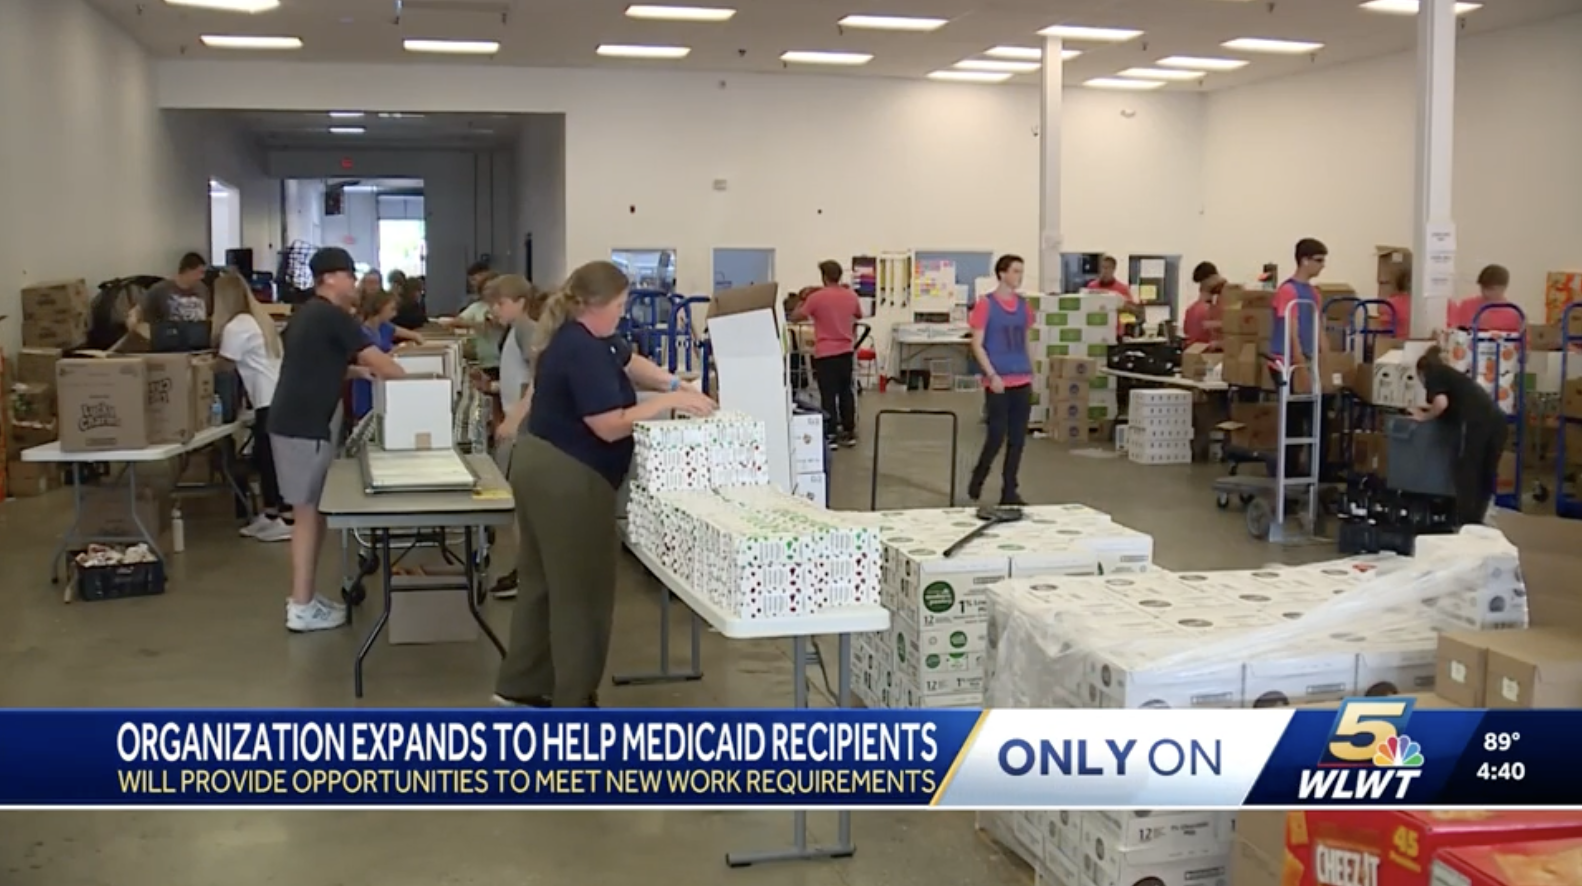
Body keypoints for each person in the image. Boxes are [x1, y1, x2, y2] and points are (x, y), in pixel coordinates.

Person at [494, 260, 716, 708]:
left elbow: (631, 361)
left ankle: (522, 684)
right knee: (583, 591)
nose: (623, 310)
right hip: (570, 480)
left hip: (539, 464)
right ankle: (574, 699)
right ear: (595, 305)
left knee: (541, 584)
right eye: (619, 303)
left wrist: (678, 383)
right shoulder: (583, 352)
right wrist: (669, 403)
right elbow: (609, 426)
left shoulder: (583, 338)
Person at [269, 247, 407, 632]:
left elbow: (317, 364)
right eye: (349, 275)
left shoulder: (308, 313)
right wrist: (421, 383)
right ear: (330, 278)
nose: (354, 283)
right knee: (307, 515)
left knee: (312, 514)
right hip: (303, 425)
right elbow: (379, 360)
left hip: (298, 422)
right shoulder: (332, 316)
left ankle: (306, 597)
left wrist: (356, 375)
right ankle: (300, 605)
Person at [473, 275, 546, 599]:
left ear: (519, 302)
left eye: (500, 303)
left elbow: (539, 378)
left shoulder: (525, 329)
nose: (496, 310)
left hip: (524, 428)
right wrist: (490, 388)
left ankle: (528, 572)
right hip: (519, 422)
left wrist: (515, 418)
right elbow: (519, 378)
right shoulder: (514, 333)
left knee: (521, 504)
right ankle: (526, 568)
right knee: (518, 504)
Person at [212, 272, 291, 543]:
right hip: (275, 396)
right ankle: (271, 515)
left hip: (269, 399)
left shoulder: (237, 326)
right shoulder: (257, 320)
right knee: (265, 458)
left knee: (270, 462)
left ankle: (282, 517)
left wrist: (194, 368)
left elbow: (225, 364)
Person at [1413, 345, 1507, 525]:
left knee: (1467, 471)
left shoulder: (1434, 373)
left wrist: (1423, 416)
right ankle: (1477, 519)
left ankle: (1464, 521)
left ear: (1421, 372)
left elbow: (1441, 404)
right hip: (1497, 421)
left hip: (1476, 423)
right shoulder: (1452, 376)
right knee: (1485, 472)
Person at [967, 255, 1034, 507]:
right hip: (998, 380)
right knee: (996, 435)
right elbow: (977, 343)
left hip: (1021, 378)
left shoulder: (1023, 306)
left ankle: (1010, 490)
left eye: (1021, 271)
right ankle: (979, 476)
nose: (1019, 276)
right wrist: (991, 375)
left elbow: (1026, 340)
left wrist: (1032, 370)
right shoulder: (986, 305)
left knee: (1018, 439)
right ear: (1002, 273)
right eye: (1015, 271)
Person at [791, 260, 863, 447]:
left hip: (826, 353)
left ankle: (830, 433)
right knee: (846, 392)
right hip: (846, 351)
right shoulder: (851, 295)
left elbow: (796, 316)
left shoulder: (817, 298)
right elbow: (859, 314)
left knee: (828, 394)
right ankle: (849, 431)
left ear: (823, 277)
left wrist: (804, 298)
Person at [350, 289, 425, 420]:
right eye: (391, 308)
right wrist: (396, 351)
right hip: (368, 390)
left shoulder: (384, 327)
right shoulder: (363, 333)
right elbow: (374, 360)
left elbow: (414, 336)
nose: (395, 312)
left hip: (384, 387)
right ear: (380, 307)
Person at [1270, 238, 1328, 384]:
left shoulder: (1314, 293)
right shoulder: (1287, 290)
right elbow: (1291, 328)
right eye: (1318, 260)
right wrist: (1299, 359)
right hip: (1285, 361)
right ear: (1305, 260)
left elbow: (1319, 326)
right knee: (1293, 404)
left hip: (1307, 358)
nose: (1322, 266)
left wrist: (1326, 357)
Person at [1451, 264, 1523, 333]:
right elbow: (1456, 335)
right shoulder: (1466, 305)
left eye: (1491, 289)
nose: (1486, 293)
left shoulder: (1514, 314)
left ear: (1504, 288)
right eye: (1483, 288)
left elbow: (1522, 344)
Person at [142, 252, 210, 323]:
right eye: (200, 272)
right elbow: (142, 311)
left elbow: (208, 315)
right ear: (188, 270)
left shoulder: (203, 289)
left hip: (198, 331)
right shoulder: (160, 289)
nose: (202, 277)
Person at [1086, 254, 1142, 334]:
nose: (1104, 271)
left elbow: (1133, 310)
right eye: (1102, 267)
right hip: (1095, 330)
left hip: (1115, 331)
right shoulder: (1092, 286)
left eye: (1107, 268)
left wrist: (1121, 305)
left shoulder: (1122, 288)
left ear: (1113, 269)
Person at [1183, 273, 1225, 347]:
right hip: (1206, 354)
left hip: (1191, 352)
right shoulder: (1212, 311)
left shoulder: (1190, 309)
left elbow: (1186, 332)